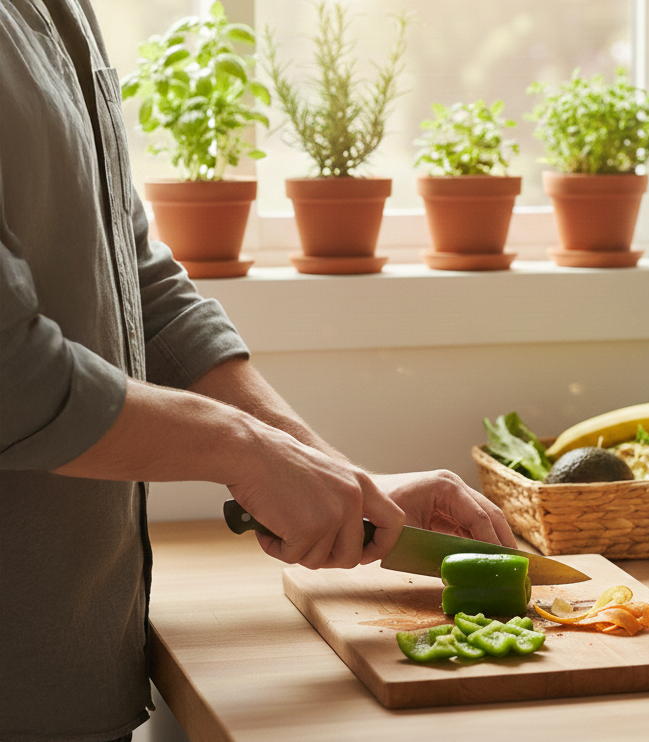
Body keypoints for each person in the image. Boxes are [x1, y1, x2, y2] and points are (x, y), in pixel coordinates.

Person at [0, 1, 515, 740]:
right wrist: (242, 449)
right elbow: (10, 374)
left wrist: (336, 482)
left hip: (78, 672)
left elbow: (137, 283)